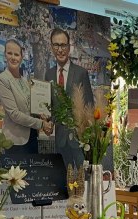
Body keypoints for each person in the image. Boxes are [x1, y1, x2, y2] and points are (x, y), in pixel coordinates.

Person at [44, 28, 94, 168]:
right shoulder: (48, 75)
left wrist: (87, 134)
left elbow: (89, 105)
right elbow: (50, 106)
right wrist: (47, 121)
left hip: (79, 139)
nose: (60, 49)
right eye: (56, 45)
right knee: (64, 180)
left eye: (63, 45)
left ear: (69, 47)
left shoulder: (80, 73)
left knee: (83, 178)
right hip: (60, 139)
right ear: (51, 47)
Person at [0, 39, 53, 154]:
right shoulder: (2, 79)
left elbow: (31, 108)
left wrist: (42, 115)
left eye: (16, 54)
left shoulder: (25, 80)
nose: (13, 57)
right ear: (5, 55)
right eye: (9, 53)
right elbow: (14, 114)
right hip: (15, 142)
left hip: (31, 137)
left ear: (21, 57)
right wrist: (41, 124)